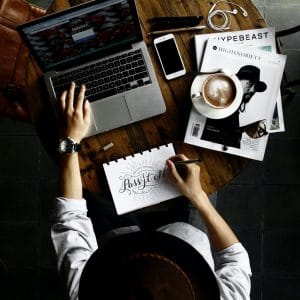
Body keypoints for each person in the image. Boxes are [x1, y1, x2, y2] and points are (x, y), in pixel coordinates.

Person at [51, 82, 252, 300]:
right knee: (197, 154)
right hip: (186, 234)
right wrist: (198, 196)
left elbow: (70, 218)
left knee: (93, 178)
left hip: (117, 243)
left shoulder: (85, 292)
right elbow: (235, 258)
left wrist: (70, 141)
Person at [201, 65, 267, 149]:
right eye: (249, 84)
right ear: (237, 80)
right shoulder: (221, 103)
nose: (252, 91)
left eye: (255, 87)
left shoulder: (234, 110)